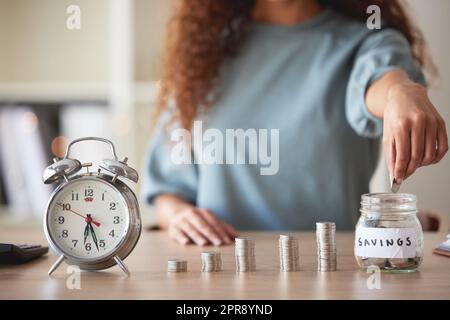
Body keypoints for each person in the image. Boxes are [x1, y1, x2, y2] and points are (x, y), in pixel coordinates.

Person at [142, 0, 448, 246]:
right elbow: (168, 191)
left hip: (330, 275)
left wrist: (400, 92)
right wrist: (180, 216)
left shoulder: (367, 40)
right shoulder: (202, 56)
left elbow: (381, 77)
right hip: (220, 273)